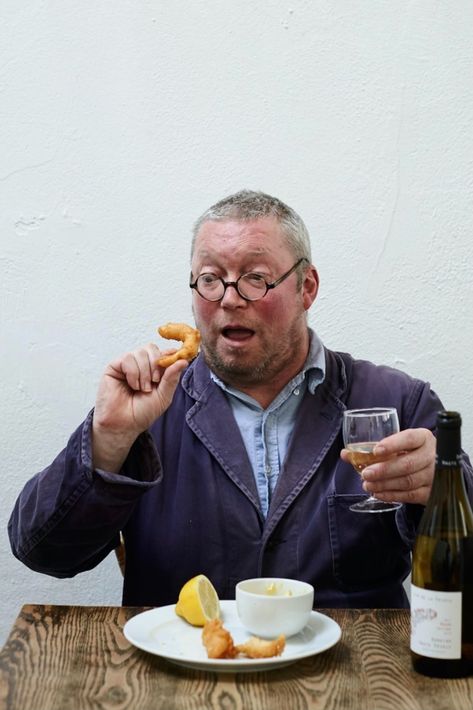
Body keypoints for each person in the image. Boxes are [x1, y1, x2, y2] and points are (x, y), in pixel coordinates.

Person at [8, 190, 473, 609]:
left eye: (255, 278)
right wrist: (107, 440)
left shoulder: (396, 403)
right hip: (182, 677)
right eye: (210, 279)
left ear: (306, 287)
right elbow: (43, 552)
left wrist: (444, 488)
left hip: (352, 677)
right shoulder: (147, 407)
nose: (229, 299)